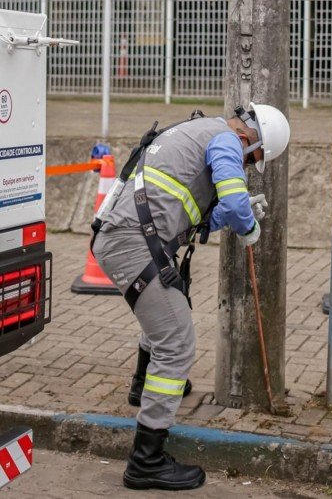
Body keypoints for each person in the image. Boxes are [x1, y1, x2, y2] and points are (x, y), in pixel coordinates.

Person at [92, 104, 290, 490]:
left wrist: (238, 211)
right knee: (177, 341)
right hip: (133, 242)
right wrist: (246, 223)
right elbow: (231, 202)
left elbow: (195, 216)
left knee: (167, 310)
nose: (249, 167)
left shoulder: (199, 131)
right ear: (252, 140)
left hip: (128, 238)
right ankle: (146, 460)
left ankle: (141, 387)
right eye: (256, 160)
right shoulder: (227, 140)